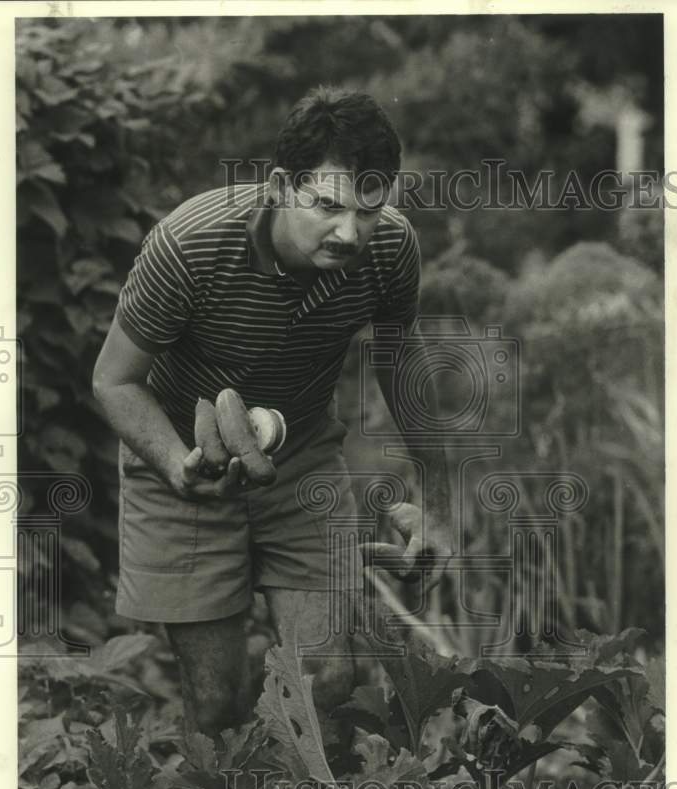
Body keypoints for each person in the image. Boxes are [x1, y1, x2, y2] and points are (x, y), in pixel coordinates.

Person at [92, 87, 454, 744]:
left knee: (328, 680)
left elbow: (400, 365)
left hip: (304, 458)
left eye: (369, 210)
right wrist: (177, 465)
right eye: (327, 206)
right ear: (282, 185)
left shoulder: (389, 248)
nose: (350, 233)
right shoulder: (189, 245)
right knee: (216, 699)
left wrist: (433, 498)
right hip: (181, 455)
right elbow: (113, 381)